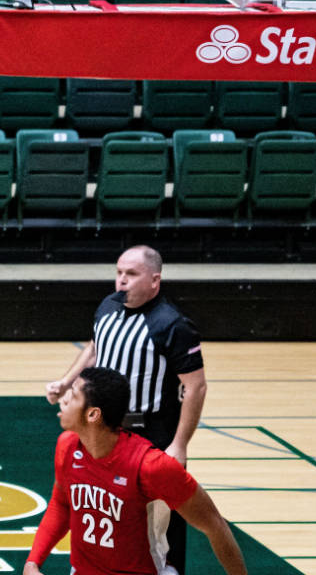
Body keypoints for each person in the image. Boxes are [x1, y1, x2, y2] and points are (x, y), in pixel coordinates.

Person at [45, 245, 207, 575]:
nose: (122, 281)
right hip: (104, 430)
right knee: (109, 506)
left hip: (150, 429)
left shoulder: (173, 325)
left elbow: (196, 386)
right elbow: (95, 349)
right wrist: (65, 382)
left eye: (131, 275)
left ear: (154, 280)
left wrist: (179, 444)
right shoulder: (108, 305)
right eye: (119, 272)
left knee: (163, 517)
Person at [25, 367, 246, 575]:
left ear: (93, 415)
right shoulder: (67, 446)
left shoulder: (152, 466)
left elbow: (214, 524)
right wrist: (33, 562)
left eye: (72, 396)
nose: (63, 399)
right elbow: (62, 504)